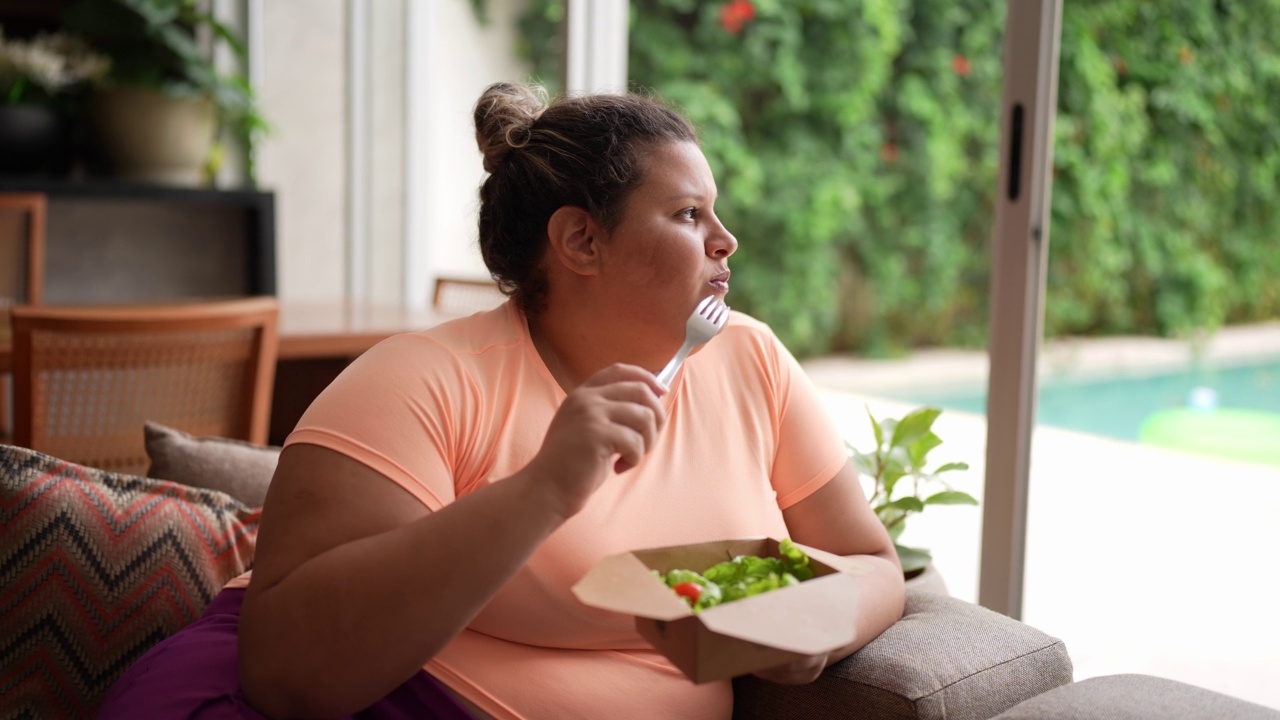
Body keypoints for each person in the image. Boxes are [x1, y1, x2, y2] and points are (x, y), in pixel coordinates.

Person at [97, 81, 905, 720]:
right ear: (580, 240)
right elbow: (286, 673)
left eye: (714, 212)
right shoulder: (424, 378)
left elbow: (875, 563)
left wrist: (821, 620)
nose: (726, 240)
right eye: (689, 214)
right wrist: (545, 488)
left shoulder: (750, 360)